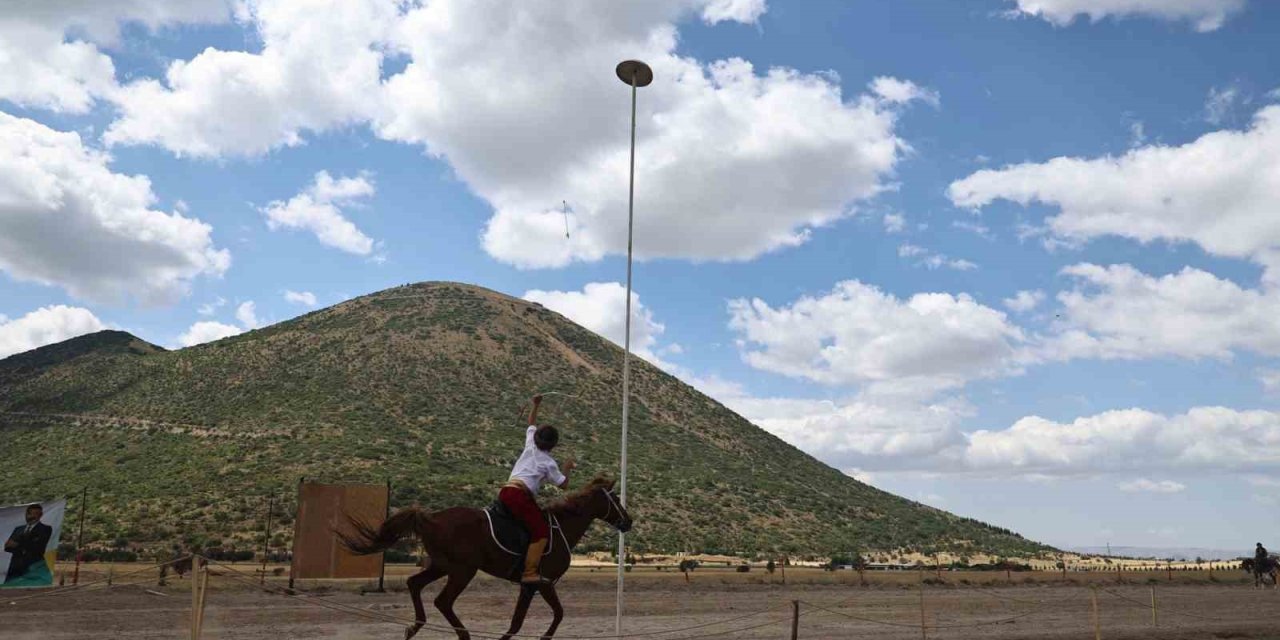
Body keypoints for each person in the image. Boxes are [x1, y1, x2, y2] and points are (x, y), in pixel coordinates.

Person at [499, 394, 575, 584]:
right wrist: (567, 467)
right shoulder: (549, 463)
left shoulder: (530, 445)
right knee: (541, 532)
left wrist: (536, 404)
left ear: (536, 438)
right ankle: (530, 572)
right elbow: (564, 485)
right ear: (553, 444)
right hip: (520, 496)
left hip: (506, 491)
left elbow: (531, 422)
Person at [4, 504, 53, 583]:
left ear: (40, 515)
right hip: (15, 566)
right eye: (29, 513)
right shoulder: (18, 529)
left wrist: (18, 544)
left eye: (35, 514)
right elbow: (7, 547)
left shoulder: (45, 529)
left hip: (33, 566)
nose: (31, 516)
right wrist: (23, 546)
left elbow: (38, 547)